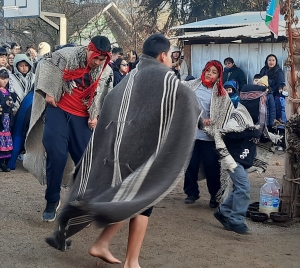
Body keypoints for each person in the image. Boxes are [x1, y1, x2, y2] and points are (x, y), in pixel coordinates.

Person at [44, 34, 200, 268]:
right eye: (170, 55)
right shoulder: (164, 77)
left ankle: (106, 245)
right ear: (163, 55)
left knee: (127, 198)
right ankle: (131, 261)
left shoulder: (133, 75)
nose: (170, 60)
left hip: (123, 150)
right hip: (142, 152)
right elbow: (188, 100)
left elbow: (113, 102)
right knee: (141, 199)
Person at [23, 36, 114, 222]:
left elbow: (106, 95)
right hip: (59, 110)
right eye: (95, 57)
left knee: (86, 162)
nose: (97, 62)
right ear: (89, 49)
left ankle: (82, 202)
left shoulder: (106, 71)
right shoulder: (66, 56)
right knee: (56, 153)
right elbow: (45, 63)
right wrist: (49, 91)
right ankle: (52, 200)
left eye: (101, 60)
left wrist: (96, 115)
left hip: (82, 119)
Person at [214, 83, 267, 234]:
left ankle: (223, 212)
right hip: (232, 159)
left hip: (242, 158)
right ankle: (236, 221)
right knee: (243, 187)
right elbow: (227, 134)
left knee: (239, 188)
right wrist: (250, 133)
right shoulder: (239, 115)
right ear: (254, 100)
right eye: (261, 101)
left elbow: (258, 134)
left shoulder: (254, 118)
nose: (263, 105)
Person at [183, 60, 233, 208]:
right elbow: (178, 92)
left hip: (210, 137)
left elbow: (226, 114)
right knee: (190, 165)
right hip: (192, 134)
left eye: (214, 72)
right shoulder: (193, 85)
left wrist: (213, 121)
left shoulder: (221, 94)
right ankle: (191, 193)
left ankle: (214, 196)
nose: (210, 74)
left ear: (219, 76)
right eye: (208, 71)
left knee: (212, 167)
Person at [0, 68, 14, 172]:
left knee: (5, 141)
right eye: (2, 78)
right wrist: (6, 105)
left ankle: (4, 162)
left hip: (6, 119)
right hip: (1, 118)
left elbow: (11, 104)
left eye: (6, 79)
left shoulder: (7, 91)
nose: (5, 81)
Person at [274, 83, 288, 150]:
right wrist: (278, 118)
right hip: (281, 119)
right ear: (280, 90)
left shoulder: (288, 99)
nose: (286, 91)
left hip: (287, 119)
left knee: (287, 132)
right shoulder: (278, 99)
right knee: (281, 132)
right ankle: (281, 145)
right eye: (285, 89)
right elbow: (277, 109)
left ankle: (286, 146)